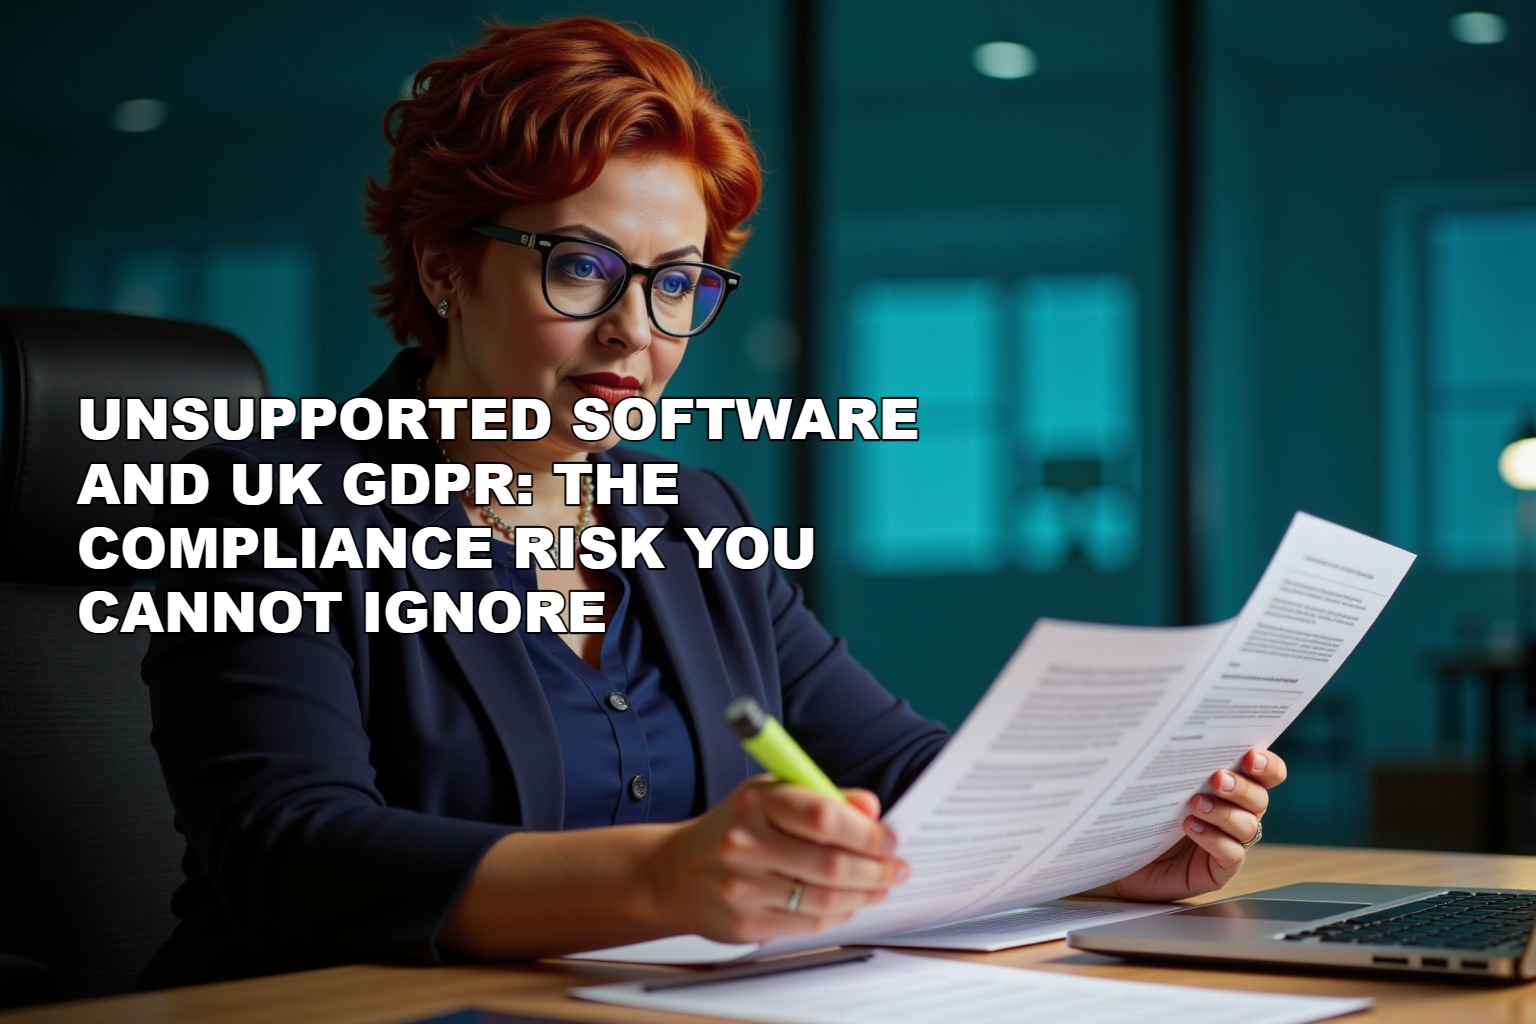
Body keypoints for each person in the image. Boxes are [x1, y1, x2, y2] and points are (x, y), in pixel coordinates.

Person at [139, 16, 1286, 988]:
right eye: (580, 266)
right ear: (443, 265)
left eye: (678, 282)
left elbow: (898, 768)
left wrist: (1114, 845)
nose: (637, 331)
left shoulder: (695, 521)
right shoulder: (267, 504)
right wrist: (663, 876)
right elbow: (290, 854)